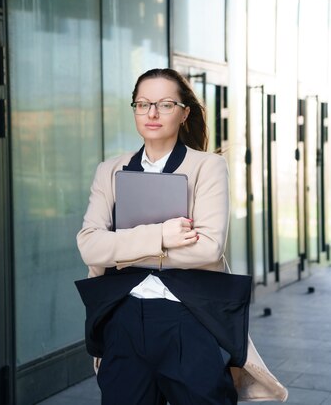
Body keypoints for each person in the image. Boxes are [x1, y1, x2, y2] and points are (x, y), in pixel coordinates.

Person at [76, 68, 288, 404]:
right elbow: (89, 246)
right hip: (124, 320)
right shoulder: (110, 171)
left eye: (165, 104)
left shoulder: (207, 167)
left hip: (188, 320)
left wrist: (120, 249)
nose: (152, 113)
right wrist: (163, 235)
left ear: (185, 112)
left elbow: (207, 249)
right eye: (143, 104)